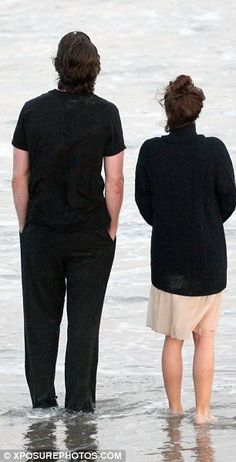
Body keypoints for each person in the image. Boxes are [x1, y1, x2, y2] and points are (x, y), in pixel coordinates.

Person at [11, 31, 125, 412]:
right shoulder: (107, 113)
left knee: (40, 322)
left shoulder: (32, 110)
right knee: (83, 325)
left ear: (59, 65)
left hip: (42, 231)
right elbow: (116, 181)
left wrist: (26, 225)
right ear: (94, 69)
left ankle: (42, 404)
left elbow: (19, 177)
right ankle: (79, 407)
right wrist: (110, 228)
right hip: (90, 234)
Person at [135, 75, 236, 424]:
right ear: (196, 111)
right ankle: (204, 414)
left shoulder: (151, 151)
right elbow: (229, 200)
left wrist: (168, 225)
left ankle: (175, 411)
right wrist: (206, 222)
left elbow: (144, 203)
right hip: (209, 258)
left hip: (168, 259)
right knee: (205, 339)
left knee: (173, 339)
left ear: (168, 110)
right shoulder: (215, 149)